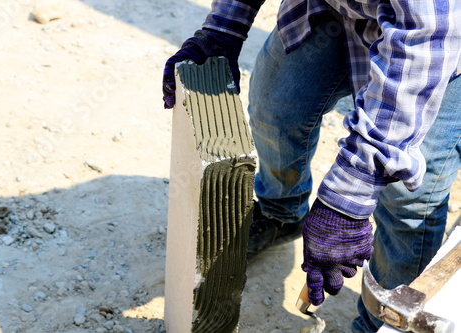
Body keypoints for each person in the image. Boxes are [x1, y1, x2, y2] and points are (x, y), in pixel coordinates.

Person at [162, 0, 461, 331]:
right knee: (276, 107)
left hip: (437, 49)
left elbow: (428, 36)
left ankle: (385, 322)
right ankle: (282, 214)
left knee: (406, 200)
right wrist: (224, 28)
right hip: (330, 11)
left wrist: (347, 200)